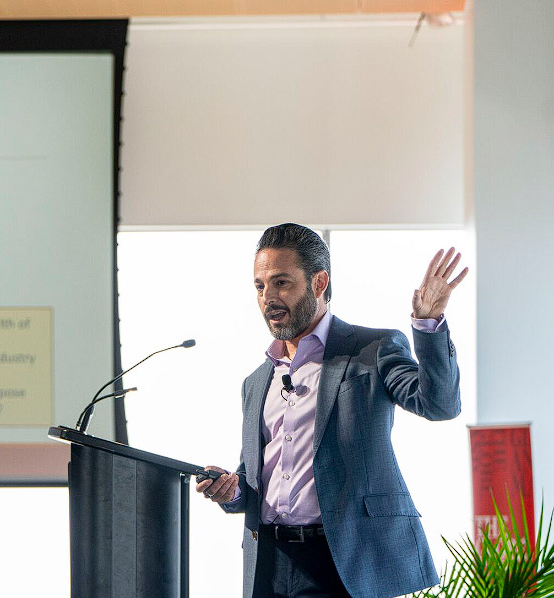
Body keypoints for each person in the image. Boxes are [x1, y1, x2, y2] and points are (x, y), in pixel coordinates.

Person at [196, 223, 468, 598]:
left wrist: (428, 324)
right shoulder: (257, 382)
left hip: (346, 560)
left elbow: (439, 405)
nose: (268, 297)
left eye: (281, 283)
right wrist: (231, 491)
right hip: (270, 563)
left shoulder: (371, 349)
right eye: (260, 286)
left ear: (319, 282)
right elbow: (254, 481)